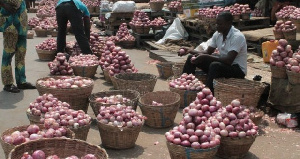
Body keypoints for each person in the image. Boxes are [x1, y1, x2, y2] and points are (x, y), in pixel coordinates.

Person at [179, 12, 247, 92]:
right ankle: (184, 84)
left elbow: (229, 60)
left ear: (229, 24)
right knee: (192, 58)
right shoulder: (218, 34)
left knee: (215, 65)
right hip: (224, 65)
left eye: (220, 24)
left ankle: (208, 93)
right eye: (216, 24)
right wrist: (190, 51)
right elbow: (208, 52)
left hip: (237, 70)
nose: (217, 27)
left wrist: (207, 57)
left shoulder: (237, 37)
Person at [0, 0, 36, 93]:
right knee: (8, 54)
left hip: (22, 22)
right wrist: (3, 4)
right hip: (10, 22)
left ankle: (21, 81)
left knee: (21, 53)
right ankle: (8, 84)